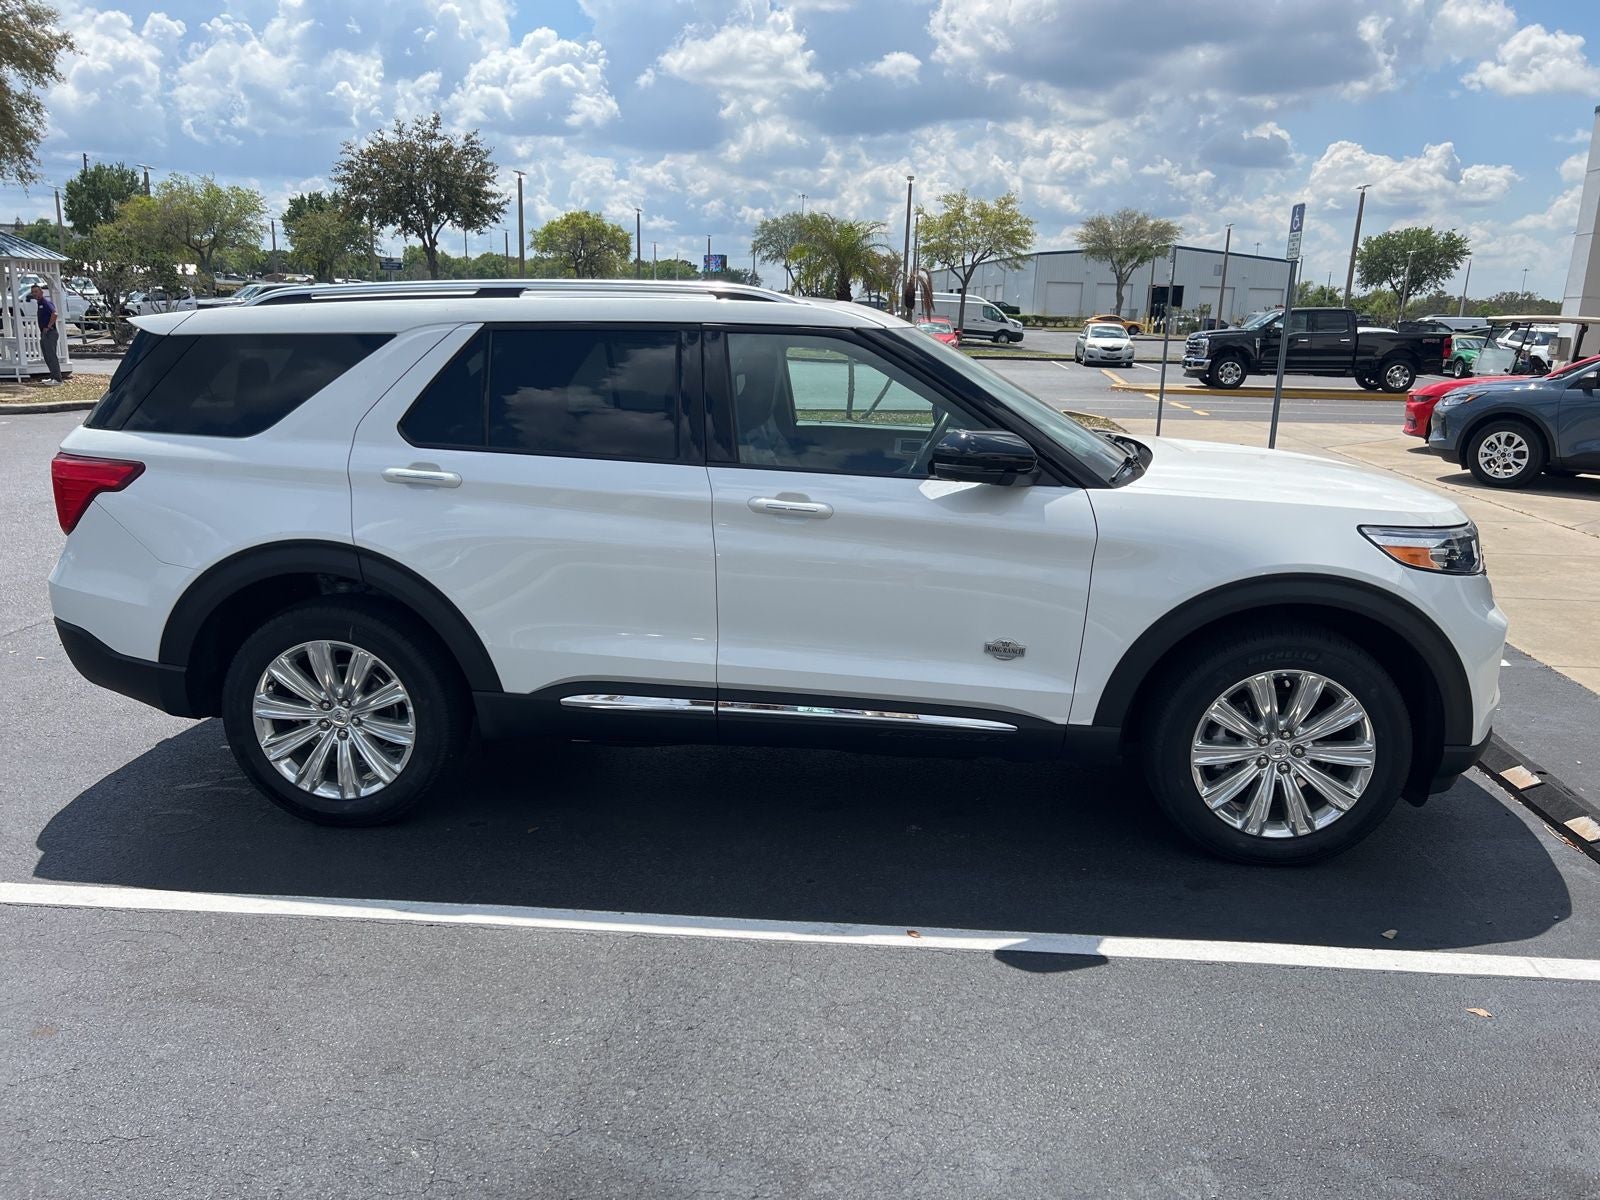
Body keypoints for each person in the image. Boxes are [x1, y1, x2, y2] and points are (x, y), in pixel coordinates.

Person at [30, 284, 63, 386]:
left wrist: (48, 326)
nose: (35, 294)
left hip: (50, 333)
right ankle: (52, 377)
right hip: (44, 334)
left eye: (36, 291)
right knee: (47, 356)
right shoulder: (39, 303)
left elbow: (54, 314)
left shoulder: (45, 302)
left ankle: (57, 379)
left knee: (52, 356)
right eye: (33, 292)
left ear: (41, 292)